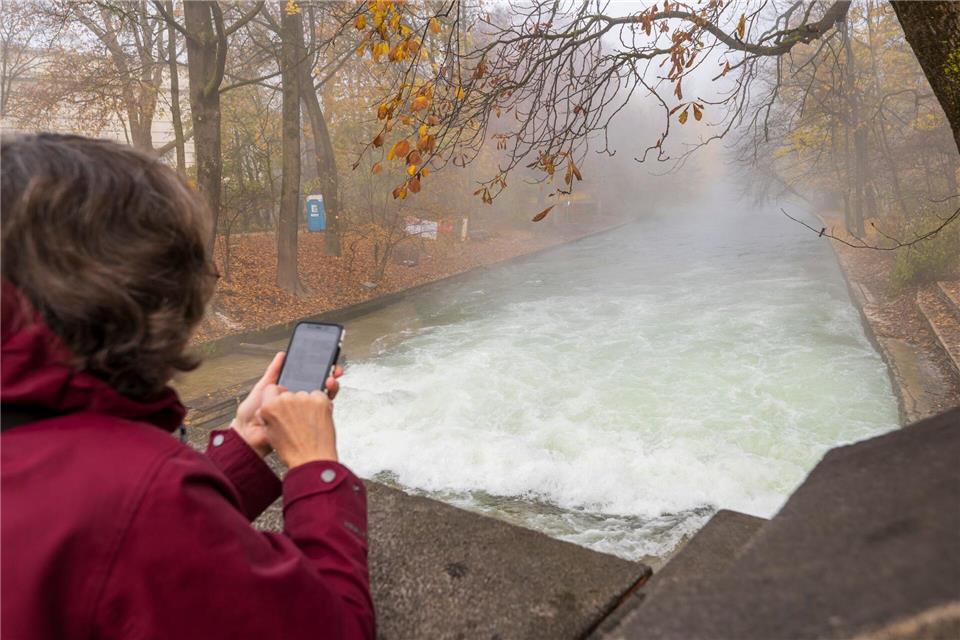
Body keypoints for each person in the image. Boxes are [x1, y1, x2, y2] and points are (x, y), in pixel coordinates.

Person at [0, 133, 374, 639]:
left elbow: (114, 545)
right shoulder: (143, 500)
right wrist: (316, 466)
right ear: (154, 290)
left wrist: (243, 442)